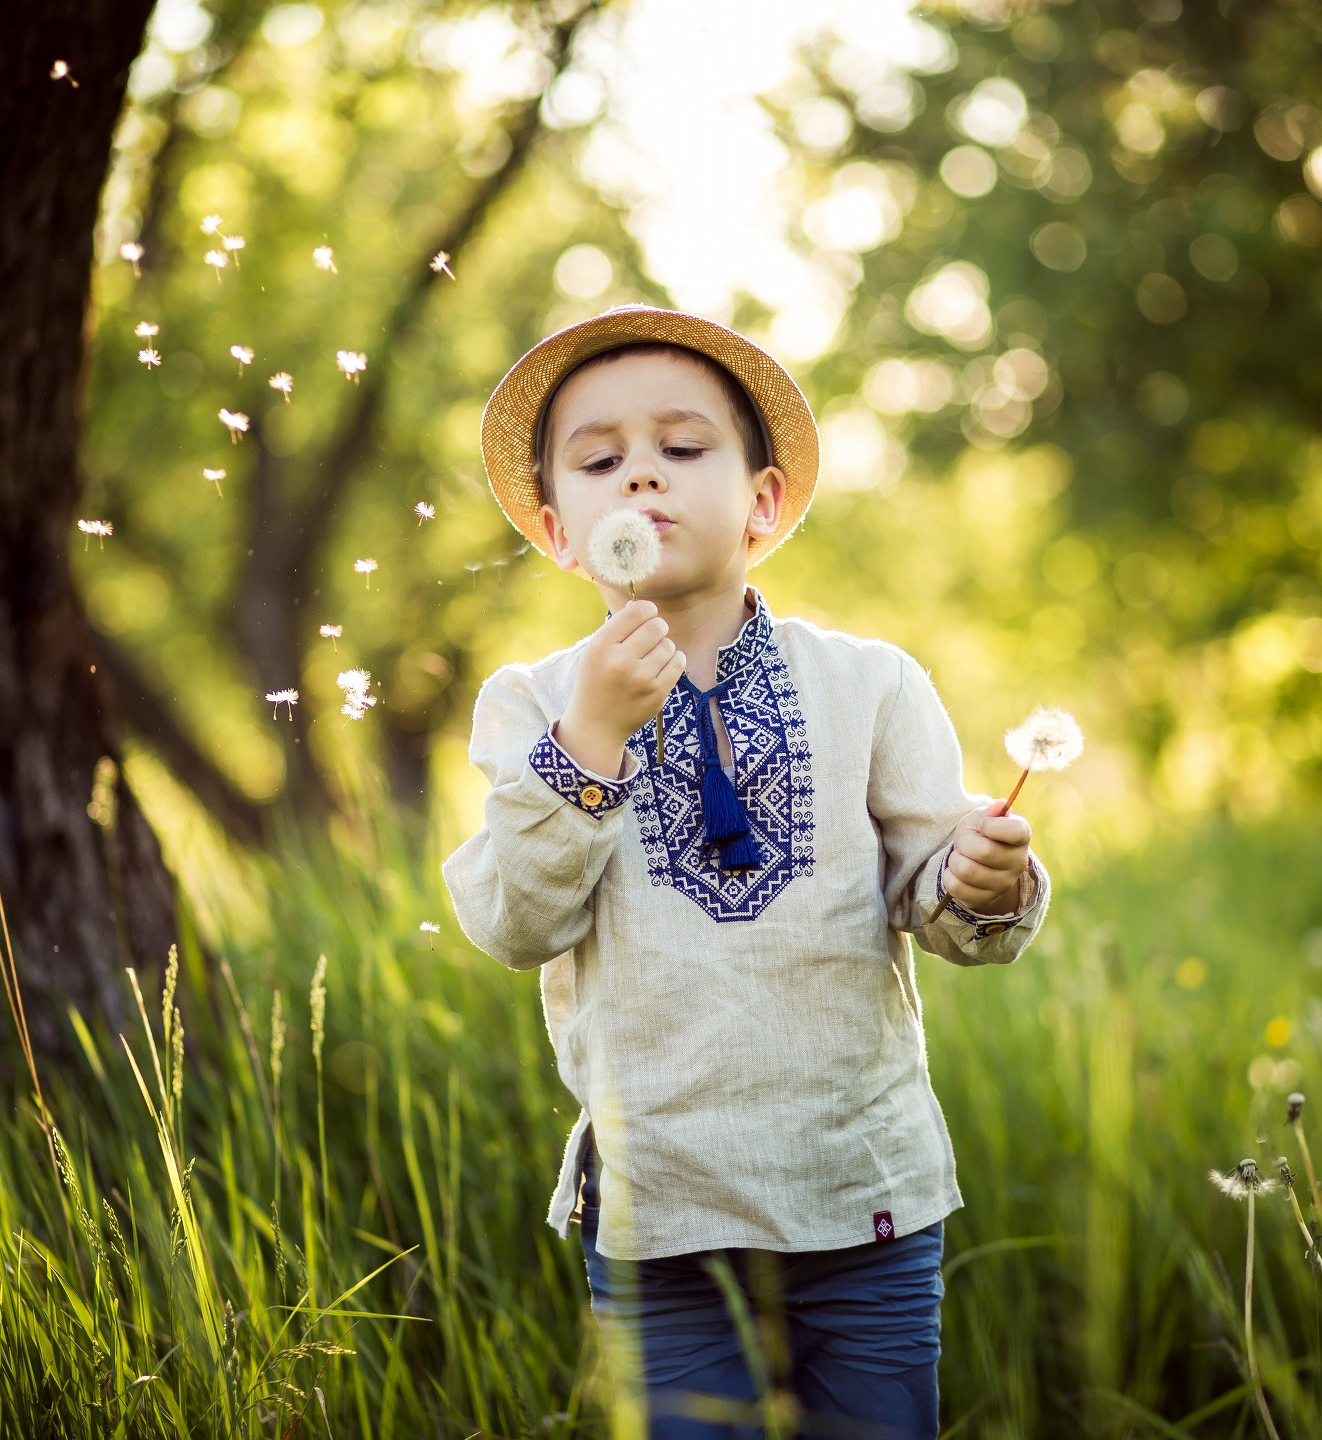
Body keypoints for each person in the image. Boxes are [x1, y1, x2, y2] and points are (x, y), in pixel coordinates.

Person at [442, 306, 1049, 1440]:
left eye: (681, 449)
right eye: (600, 461)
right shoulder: (531, 704)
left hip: (860, 1194)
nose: (641, 482)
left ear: (762, 503)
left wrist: (980, 879)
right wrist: (590, 742)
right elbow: (517, 921)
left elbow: (940, 898)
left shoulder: (869, 684)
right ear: (556, 528)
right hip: (659, 1209)